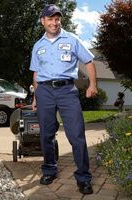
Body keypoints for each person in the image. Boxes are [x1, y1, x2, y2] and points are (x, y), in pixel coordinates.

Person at [30, 4, 98, 195]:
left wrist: (93, 85)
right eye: (50, 19)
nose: (54, 22)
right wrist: (36, 96)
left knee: (76, 135)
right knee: (46, 134)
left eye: (57, 18)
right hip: (44, 92)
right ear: (43, 21)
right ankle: (49, 170)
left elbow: (89, 61)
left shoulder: (72, 39)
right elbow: (36, 73)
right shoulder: (38, 46)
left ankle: (83, 177)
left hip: (67, 91)